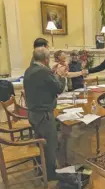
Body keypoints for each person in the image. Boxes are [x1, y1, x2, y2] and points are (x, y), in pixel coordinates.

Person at [24, 47, 65, 181]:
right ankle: (50, 174)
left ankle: (40, 169)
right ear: (46, 59)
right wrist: (60, 75)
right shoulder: (43, 71)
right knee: (50, 144)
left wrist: (51, 73)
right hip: (44, 115)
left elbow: (42, 85)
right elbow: (58, 88)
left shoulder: (29, 70)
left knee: (40, 142)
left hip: (33, 113)